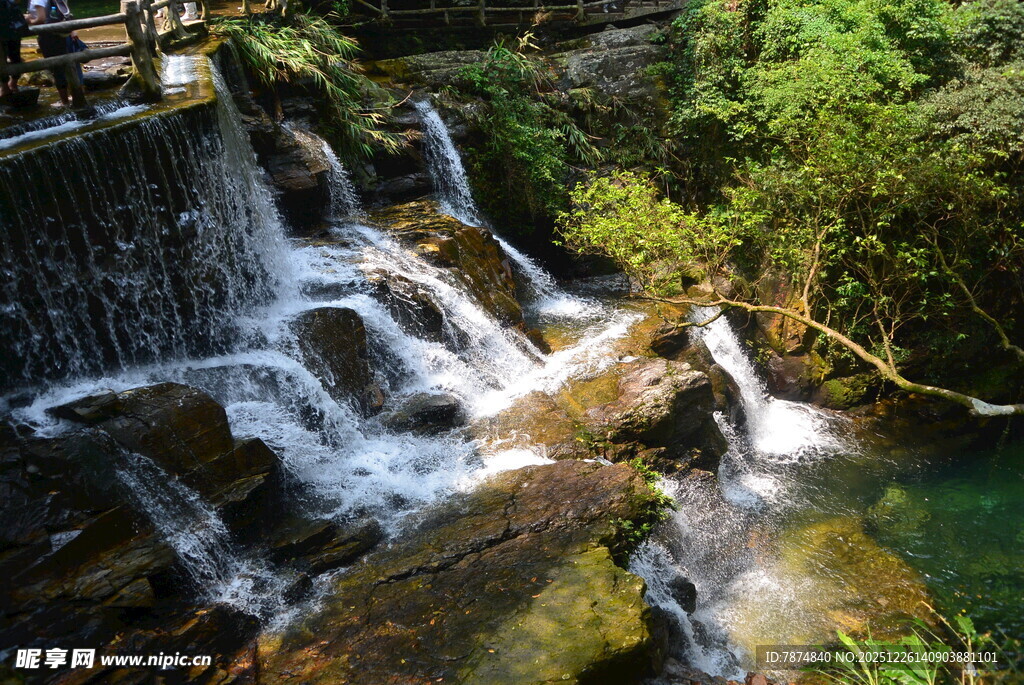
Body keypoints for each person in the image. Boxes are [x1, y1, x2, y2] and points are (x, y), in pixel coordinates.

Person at [25, 0, 80, 106]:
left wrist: (28, 20)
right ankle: (74, 96)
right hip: (59, 33)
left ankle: (65, 102)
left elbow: (41, 19)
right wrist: (72, 30)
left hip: (47, 36)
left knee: (56, 69)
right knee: (65, 65)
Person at [1, 0, 26, 97]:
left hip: (6, 30)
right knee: (15, 57)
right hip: (14, 30)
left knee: (4, 59)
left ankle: (5, 87)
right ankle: (12, 84)